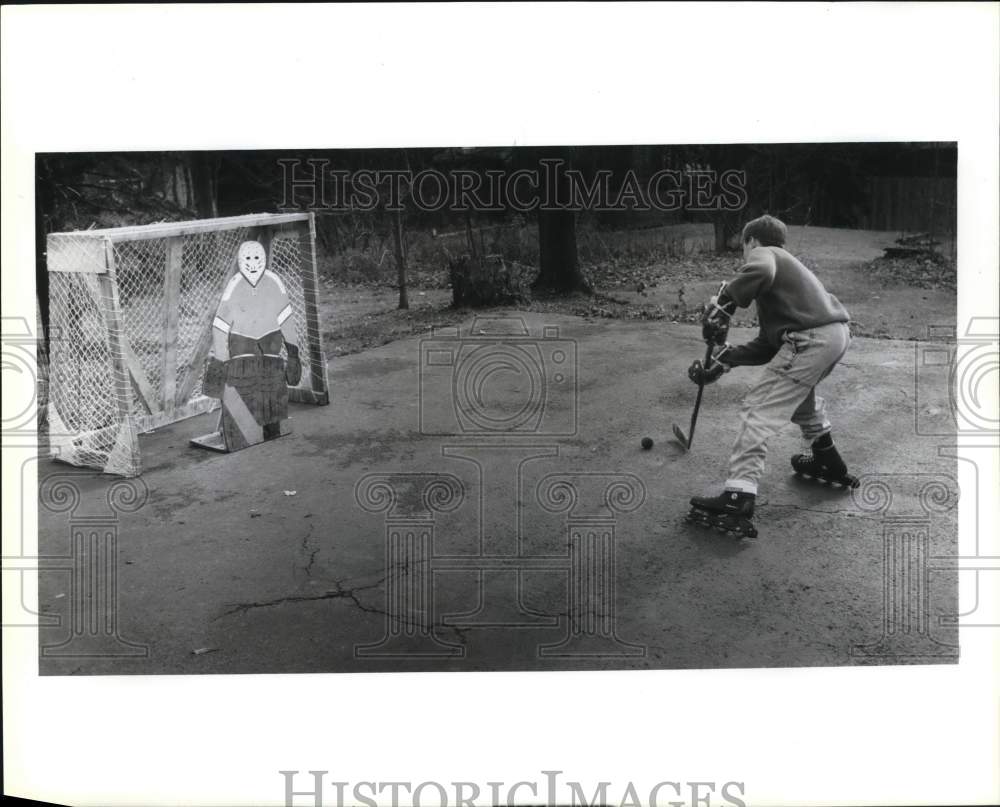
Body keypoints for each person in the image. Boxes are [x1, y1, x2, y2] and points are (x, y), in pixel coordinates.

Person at [685, 214, 856, 536]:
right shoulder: (788, 277)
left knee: (758, 410)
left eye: (743, 250)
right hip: (834, 335)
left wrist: (724, 303)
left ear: (751, 241)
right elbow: (768, 345)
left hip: (811, 340)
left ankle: (739, 495)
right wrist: (726, 360)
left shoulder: (766, 255)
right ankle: (828, 460)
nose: (745, 258)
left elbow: (758, 269)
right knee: (801, 401)